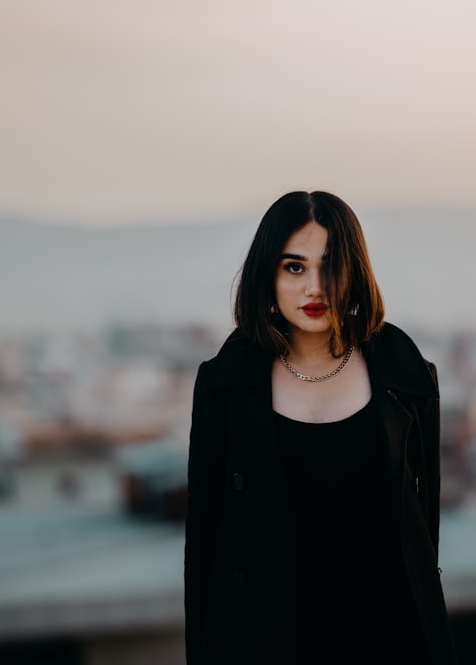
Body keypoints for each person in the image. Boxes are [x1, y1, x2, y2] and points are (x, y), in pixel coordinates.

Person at [184, 191, 459, 664]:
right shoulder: (223, 386)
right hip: (267, 645)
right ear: (266, 275)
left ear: (356, 272)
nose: (315, 287)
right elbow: (204, 554)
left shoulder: (405, 377)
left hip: (390, 642)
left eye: (330, 266)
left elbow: (423, 539)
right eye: (294, 267)